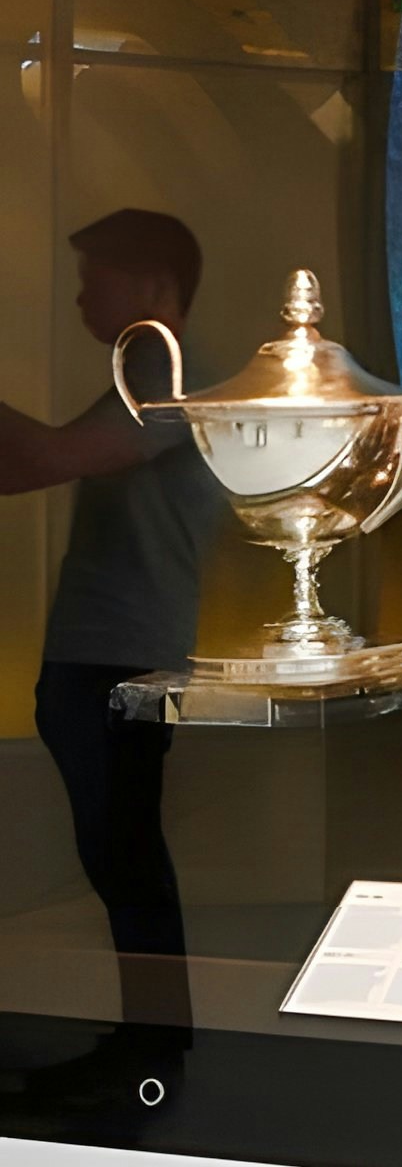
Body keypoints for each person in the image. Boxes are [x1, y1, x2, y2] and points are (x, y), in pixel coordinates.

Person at [0, 209, 222, 1096]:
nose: (82, 293)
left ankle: (152, 1050)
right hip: (111, 654)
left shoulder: (163, 376)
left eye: (98, 275)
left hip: (122, 658)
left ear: (156, 289)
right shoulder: (145, 372)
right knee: (122, 854)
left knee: (125, 855)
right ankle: (151, 1044)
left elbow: (51, 458)